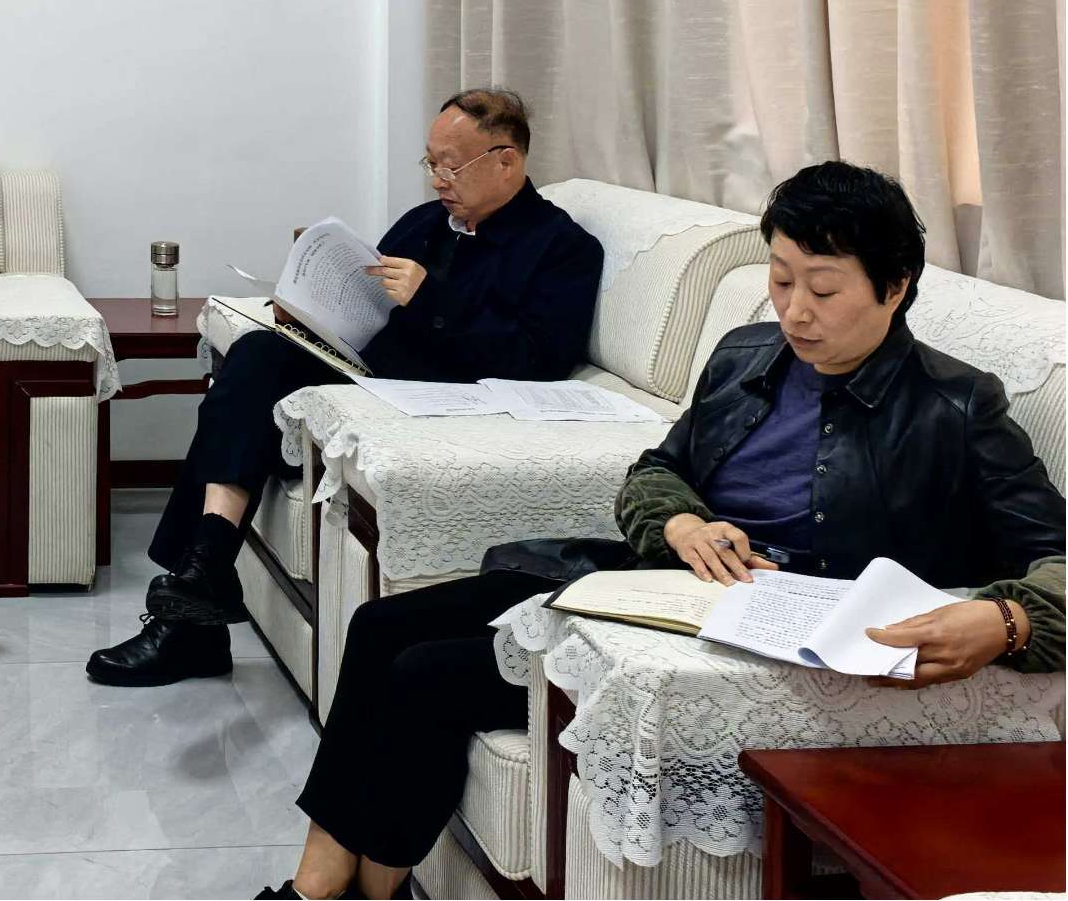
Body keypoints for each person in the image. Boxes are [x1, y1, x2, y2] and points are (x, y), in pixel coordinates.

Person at [262, 160, 1066, 901]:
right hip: (657, 588)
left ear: (893, 289)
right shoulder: (745, 356)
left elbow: (1054, 554)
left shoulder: (955, 405)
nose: (794, 311)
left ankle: (343, 893)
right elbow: (656, 470)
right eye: (780, 280)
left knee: (425, 675)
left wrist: (1007, 620)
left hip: (756, 645)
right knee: (380, 625)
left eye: (823, 290)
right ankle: (328, 881)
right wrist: (680, 519)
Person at [90, 88, 603, 687]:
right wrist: (308, 316)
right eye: (431, 162)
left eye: (451, 165)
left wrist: (432, 300)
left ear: (506, 160)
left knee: (250, 395)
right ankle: (202, 578)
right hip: (369, 375)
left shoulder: (563, 248)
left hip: (444, 397)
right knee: (256, 356)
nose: (437, 179)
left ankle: (191, 617)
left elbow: (539, 359)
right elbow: (367, 309)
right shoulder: (425, 224)